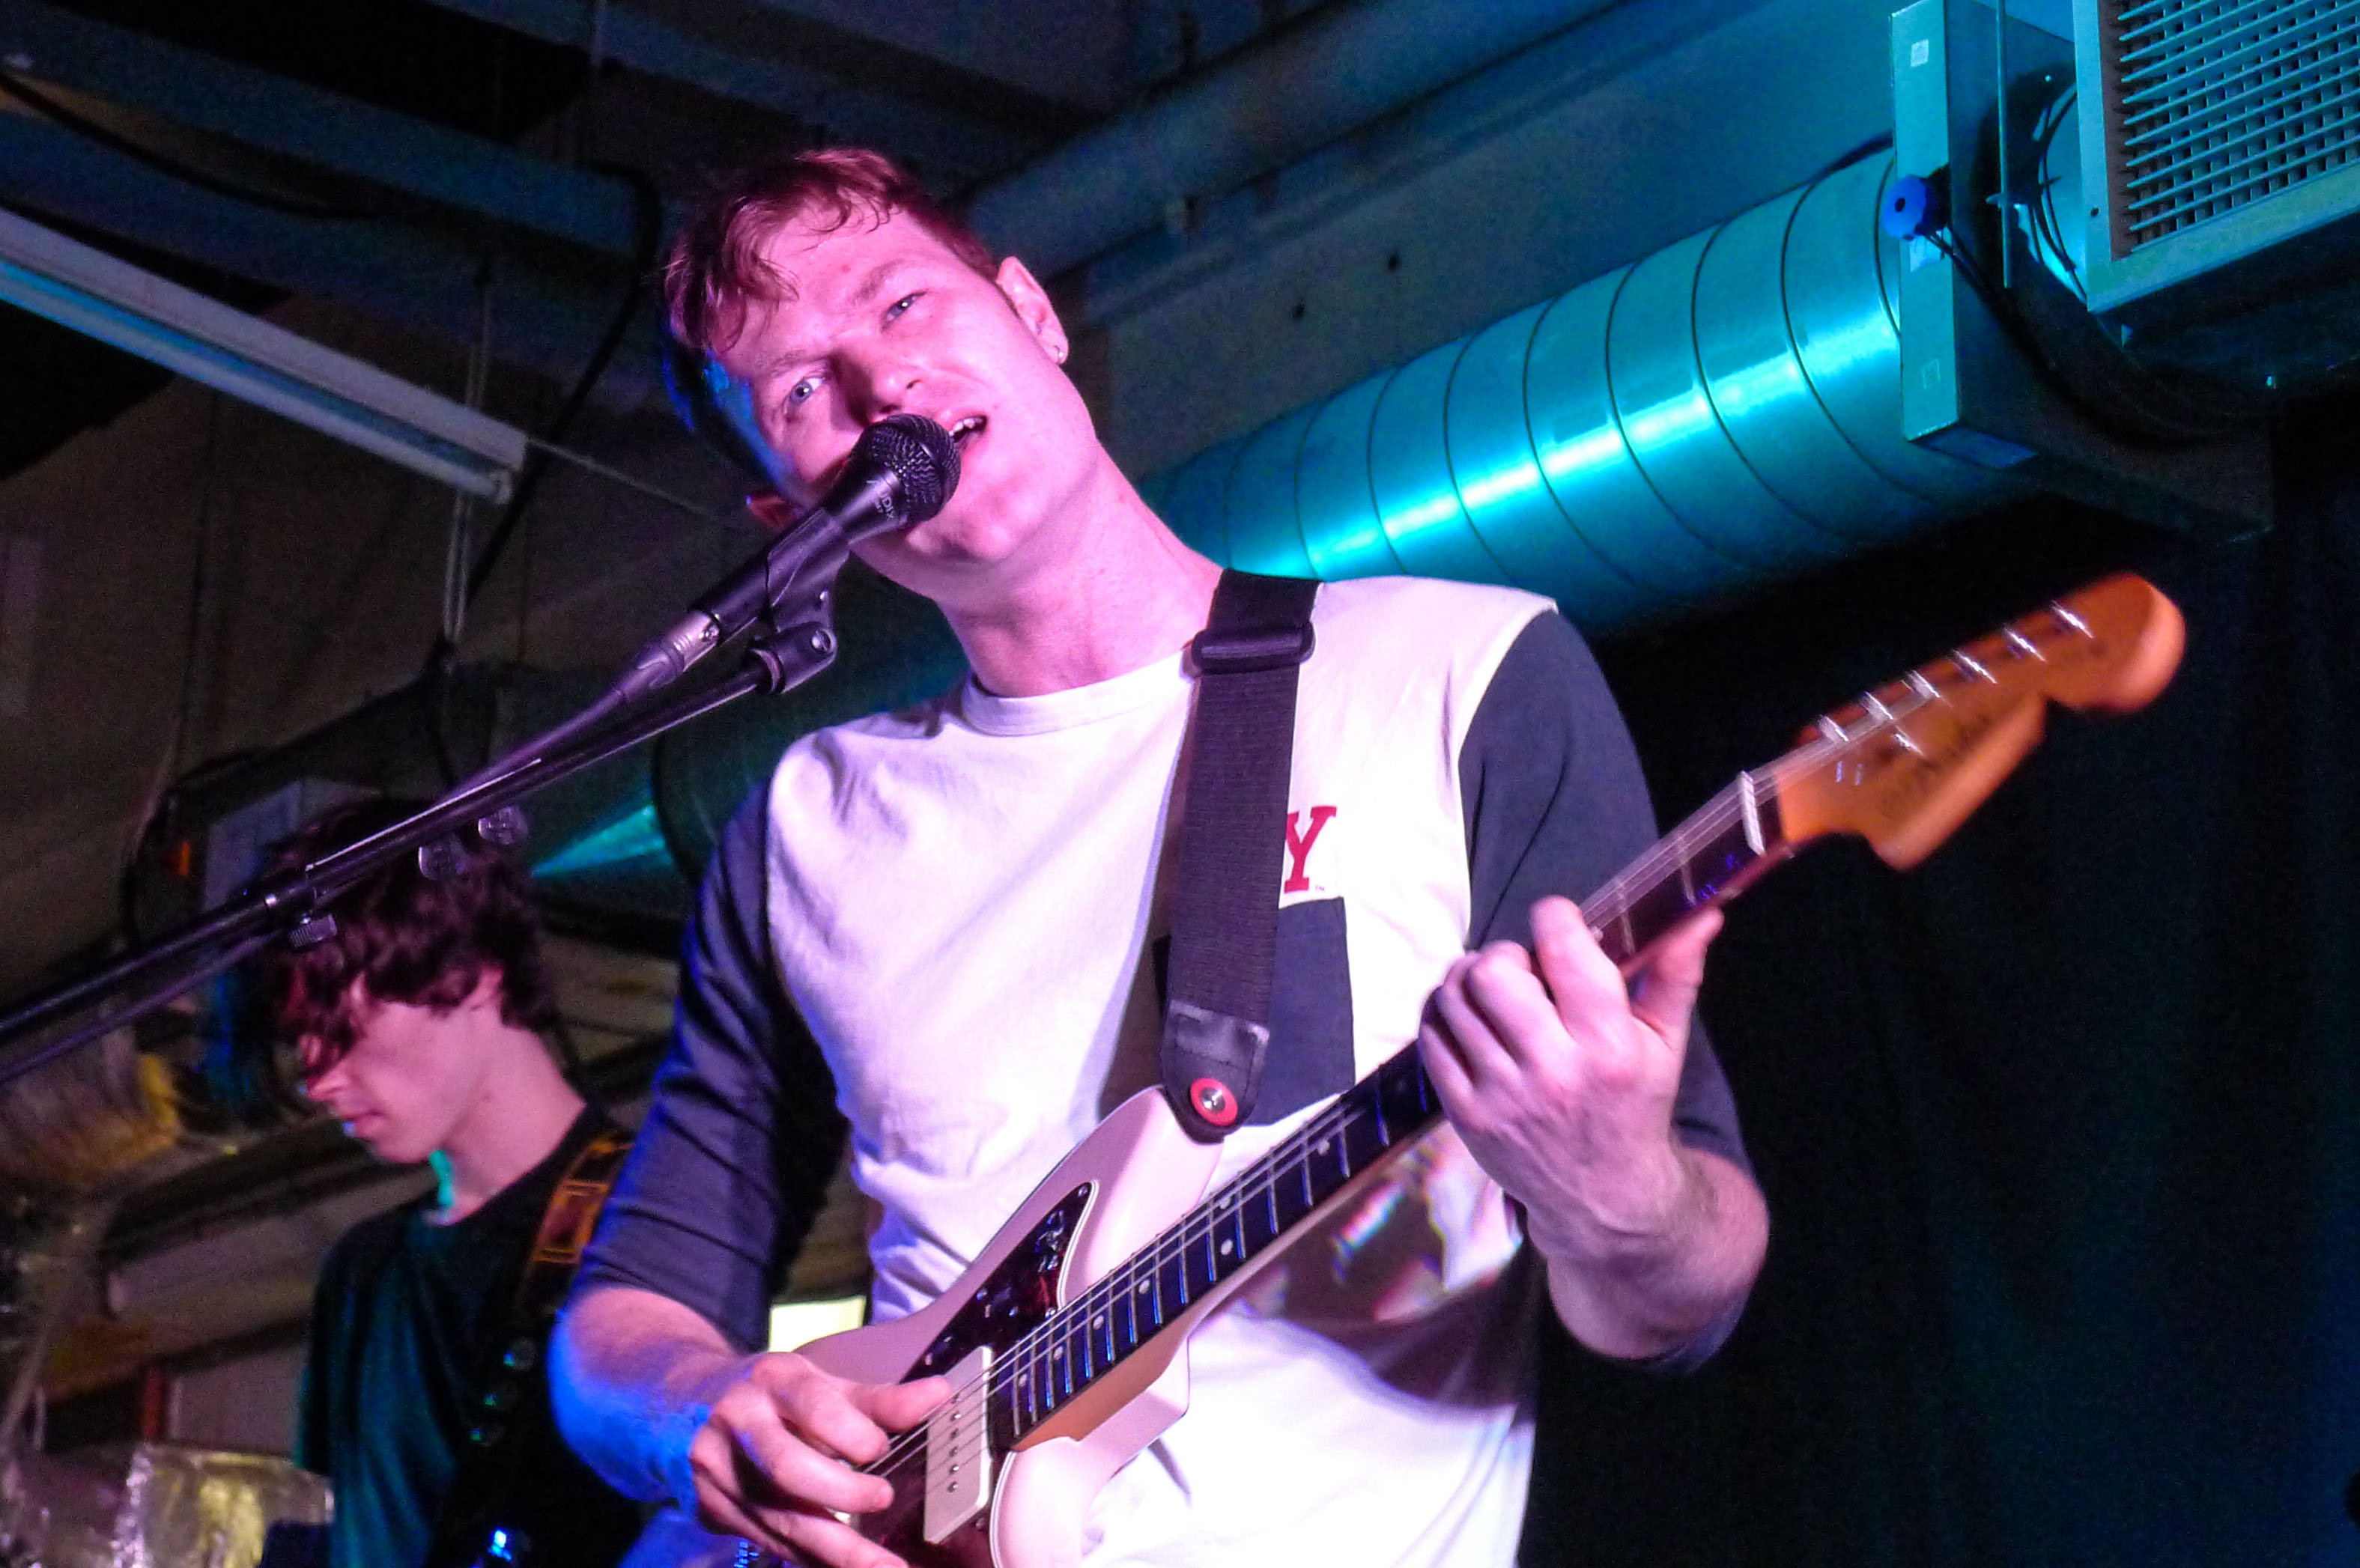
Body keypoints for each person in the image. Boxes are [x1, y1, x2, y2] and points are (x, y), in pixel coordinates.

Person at [550, 148, 1769, 1568]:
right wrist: (695, 1409)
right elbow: (625, 1311)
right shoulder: (805, 824)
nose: (884, 384)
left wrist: (1615, 1196)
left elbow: (1680, 1295)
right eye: (804, 391)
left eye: (902, 302)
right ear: (788, 518)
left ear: (1030, 312)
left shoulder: (1461, 672)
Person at [252, 799, 645, 1568]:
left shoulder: (648, 1215)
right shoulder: (364, 1269)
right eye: (302, 1040)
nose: (318, 1080)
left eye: (344, 1029)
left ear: (474, 974)